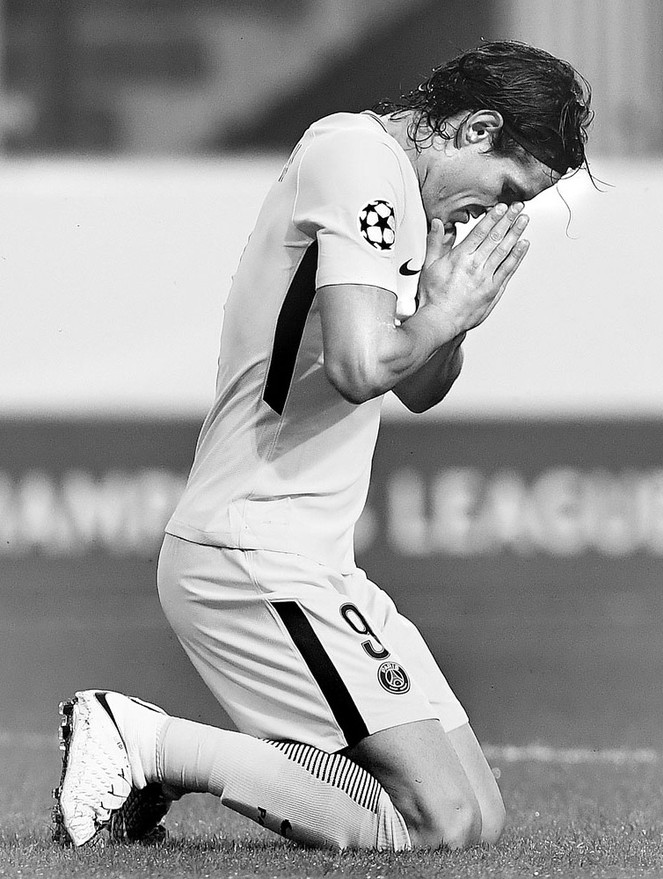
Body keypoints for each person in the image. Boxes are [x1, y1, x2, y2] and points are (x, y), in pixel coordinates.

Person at [53, 40, 592, 851]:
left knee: (478, 817)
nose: (502, 214)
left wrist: (455, 313)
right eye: (510, 189)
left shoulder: (406, 192)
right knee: (433, 820)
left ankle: (163, 758)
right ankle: (145, 740)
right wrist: (440, 315)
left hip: (313, 556)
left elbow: (417, 386)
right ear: (478, 128)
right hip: (251, 546)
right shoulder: (356, 160)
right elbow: (356, 366)